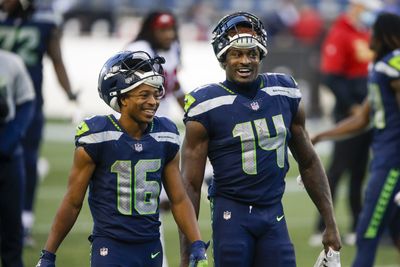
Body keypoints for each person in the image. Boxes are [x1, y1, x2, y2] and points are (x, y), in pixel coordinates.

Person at [179, 11, 341, 267]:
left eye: (252, 53)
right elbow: (189, 184)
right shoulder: (206, 104)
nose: (245, 61)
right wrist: (188, 249)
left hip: (273, 212)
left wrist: (330, 224)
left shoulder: (283, 91)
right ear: (223, 58)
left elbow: (308, 161)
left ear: (261, 55)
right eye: (236, 54)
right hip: (231, 213)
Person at [35, 50, 208, 267]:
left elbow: (179, 198)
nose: (153, 101)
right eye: (144, 95)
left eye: (156, 94)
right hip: (111, 247)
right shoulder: (98, 136)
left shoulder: (165, 134)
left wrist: (197, 243)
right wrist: (48, 254)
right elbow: (72, 201)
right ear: (122, 98)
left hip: (151, 247)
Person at [311, 12, 400, 267]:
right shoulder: (380, 66)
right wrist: (322, 135)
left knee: (366, 235)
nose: (369, 36)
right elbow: (362, 118)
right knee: (396, 234)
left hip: (392, 162)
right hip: (386, 158)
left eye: (374, 32)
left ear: (386, 35)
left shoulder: (393, 63)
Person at [0, 0, 77, 246]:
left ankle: (24, 222)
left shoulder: (45, 23)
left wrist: (69, 93)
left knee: (28, 161)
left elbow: (57, 60)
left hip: (26, 104)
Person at [310, 0, 382, 246]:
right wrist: (351, 105)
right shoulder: (340, 33)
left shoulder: (366, 33)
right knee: (338, 169)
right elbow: (331, 77)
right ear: (355, 7)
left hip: (367, 111)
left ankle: (356, 224)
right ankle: (321, 226)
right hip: (350, 112)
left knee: (360, 170)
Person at [0, 49, 35, 267]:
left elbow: (26, 102)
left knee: (13, 231)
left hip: (8, 155)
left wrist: (8, 141)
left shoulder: (11, 62)